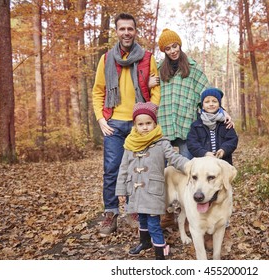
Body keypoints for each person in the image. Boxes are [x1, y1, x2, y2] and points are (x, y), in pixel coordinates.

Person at [151, 29, 233, 228]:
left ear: (180, 45)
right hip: (163, 128)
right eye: (168, 48)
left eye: (175, 46)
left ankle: (190, 214)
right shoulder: (159, 72)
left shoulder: (194, 70)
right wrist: (148, 83)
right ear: (163, 50)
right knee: (159, 172)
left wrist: (223, 111)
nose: (172, 51)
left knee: (190, 174)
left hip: (186, 128)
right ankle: (166, 213)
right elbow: (149, 95)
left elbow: (208, 96)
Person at [92, 13, 160, 236]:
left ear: (135, 30)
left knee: (137, 169)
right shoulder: (106, 59)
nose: (126, 33)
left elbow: (156, 89)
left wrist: (149, 113)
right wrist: (101, 119)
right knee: (111, 170)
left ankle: (133, 210)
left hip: (138, 124)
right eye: (122, 29)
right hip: (113, 123)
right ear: (117, 32)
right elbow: (98, 91)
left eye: (130, 29)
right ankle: (111, 212)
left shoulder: (147, 58)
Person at [116, 102, 189, 260]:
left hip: (153, 190)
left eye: (148, 123)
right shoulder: (130, 144)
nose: (145, 127)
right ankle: (145, 242)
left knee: (153, 222)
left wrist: (189, 165)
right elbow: (123, 168)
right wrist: (121, 190)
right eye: (140, 124)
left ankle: (160, 251)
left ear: (155, 123)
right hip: (135, 190)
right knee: (141, 218)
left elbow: (174, 158)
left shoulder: (161, 143)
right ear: (135, 125)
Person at [187, 87, 238, 165]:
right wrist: (205, 153)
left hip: (223, 163)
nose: (211, 104)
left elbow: (232, 140)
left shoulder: (226, 123)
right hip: (203, 164)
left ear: (219, 105)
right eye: (207, 102)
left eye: (214, 101)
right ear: (202, 105)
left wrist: (224, 150)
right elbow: (192, 143)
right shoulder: (196, 125)